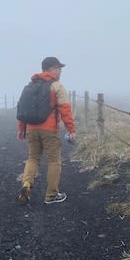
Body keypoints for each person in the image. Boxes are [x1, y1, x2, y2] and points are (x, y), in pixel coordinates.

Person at [17, 57, 77, 204]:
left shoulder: (30, 85)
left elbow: (23, 109)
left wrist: (21, 129)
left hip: (31, 128)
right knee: (53, 160)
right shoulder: (56, 86)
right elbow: (65, 110)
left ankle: (26, 184)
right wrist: (71, 129)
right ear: (51, 69)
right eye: (58, 68)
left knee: (33, 158)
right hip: (49, 129)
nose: (60, 71)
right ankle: (51, 195)